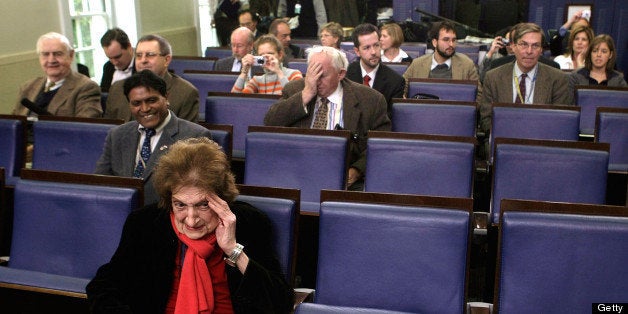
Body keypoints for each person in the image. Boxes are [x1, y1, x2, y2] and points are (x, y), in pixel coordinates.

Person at [87, 137, 294, 313]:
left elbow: (280, 303)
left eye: (203, 205)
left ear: (221, 199)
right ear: (170, 200)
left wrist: (233, 250)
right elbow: (101, 288)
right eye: (180, 205)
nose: (191, 219)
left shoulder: (249, 224)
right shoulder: (145, 225)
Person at [264, 46, 391, 190]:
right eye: (312, 74)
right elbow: (270, 122)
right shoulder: (295, 89)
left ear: (340, 74)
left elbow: (379, 146)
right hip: (296, 173)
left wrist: (356, 171)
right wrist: (305, 95)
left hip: (344, 179)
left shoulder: (370, 100)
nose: (315, 81)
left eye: (322, 75)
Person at [95, 70, 212, 206]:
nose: (144, 109)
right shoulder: (117, 135)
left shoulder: (195, 136)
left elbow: (202, 192)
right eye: (136, 103)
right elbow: (100, 183)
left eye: (151, 100)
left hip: (167, 217)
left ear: (166, 98)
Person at [480, 23, 571, 134]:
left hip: (540, 142)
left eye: (535, 45)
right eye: (524, 44)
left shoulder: (557, 79)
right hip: (504, 141)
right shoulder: (493, 77)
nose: (529, 51)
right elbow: (486, 120)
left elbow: (559, 121)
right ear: (513, 46)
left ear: (541, 49)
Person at [104, 34, 200, 123]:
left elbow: (187, 136)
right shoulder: (117, 89)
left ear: (166, 60)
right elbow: (108, 129)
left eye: (150, 55)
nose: (143, 61)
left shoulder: (186, 93)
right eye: (139, 56)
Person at [12, 32, 101, 118]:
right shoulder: (28, 87)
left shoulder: (86, 88)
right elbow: (13, 123)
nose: (51, 60)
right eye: (45, 54)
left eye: (58, 54)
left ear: (71, 55)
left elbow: (84, 128)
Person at [346, 23, 404, 117]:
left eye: (376, 45)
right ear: (357, 51)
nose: (373, 52)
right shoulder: (345, 75)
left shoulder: (395, 81)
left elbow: (390, 120)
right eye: (367, 48)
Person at [403, 21, 479, 84]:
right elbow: (402, 88)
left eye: (453, 40)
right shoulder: (417, 64)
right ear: (434, 42)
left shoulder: (467, 65)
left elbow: (477, 96)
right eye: (446, 40)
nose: (451, 44)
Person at [231, 35, 303, 94]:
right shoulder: (257, 80)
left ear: (280, 55)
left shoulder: (294, 74)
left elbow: (296, 98)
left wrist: (278, 71)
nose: (266, 58)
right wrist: (244, 72)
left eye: (270, 53)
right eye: (262, 55)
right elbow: (235, 99)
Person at [569, 34, 627, 101]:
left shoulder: (618, 79)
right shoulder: (576, 77)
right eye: (595, 51)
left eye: (604, 51)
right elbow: (570, 105)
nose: (598, 55)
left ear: (610, 55)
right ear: (590, 53)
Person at [100, 28, 135, 92]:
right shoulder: (108, 67)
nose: (114, 63)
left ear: (128, 46)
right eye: (110, 58)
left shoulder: (142, 64)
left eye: (117, 57)